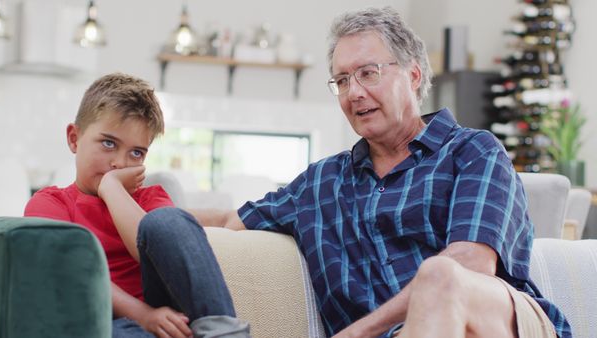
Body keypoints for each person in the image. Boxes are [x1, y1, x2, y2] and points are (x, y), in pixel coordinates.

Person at [182, 7, 572, 338]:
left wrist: (357, 332)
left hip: (499, 323)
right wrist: (129, 205)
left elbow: (469, 268)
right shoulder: (321, 184)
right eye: (342, 80)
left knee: (440, 277)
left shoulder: (471, 151)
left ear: (413, 76)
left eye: (368, 73)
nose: (353, 92)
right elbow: (226, 220)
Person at [24, 73, 250, 338]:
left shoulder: (150, 199)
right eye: (108, 143)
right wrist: (143, 316)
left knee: (166, 220)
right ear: (74, 138)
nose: (120, 162)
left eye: (136, 153)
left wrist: (111, 188)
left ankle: (224, 333)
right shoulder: (50, 203)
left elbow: (145, 246)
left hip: (168, 316)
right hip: (100, 321)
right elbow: (72, 273)